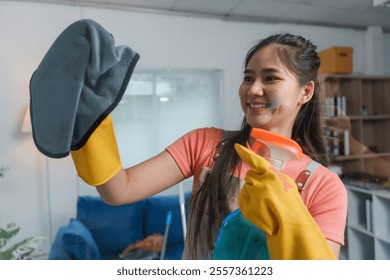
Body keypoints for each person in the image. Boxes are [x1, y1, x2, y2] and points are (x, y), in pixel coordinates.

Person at [70, 33, 348, 260]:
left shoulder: (323, 185)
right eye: (248, 78)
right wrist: (89, 117)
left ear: (306, 91)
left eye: (270, 78)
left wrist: (287, 212)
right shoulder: (207, 145)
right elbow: (119, 190)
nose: (253, 89)